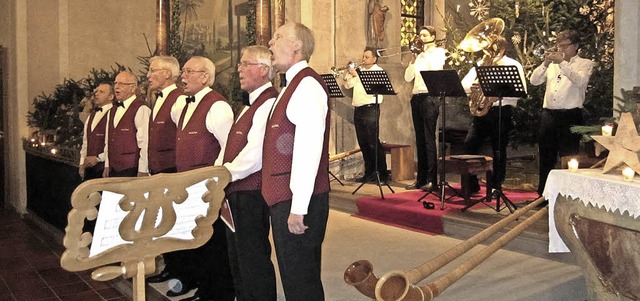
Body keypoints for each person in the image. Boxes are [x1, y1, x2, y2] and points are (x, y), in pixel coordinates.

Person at [265, 22, 330, 300]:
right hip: (285, 197)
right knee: (294, 277)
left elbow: (308, 149)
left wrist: (298, 207)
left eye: (278, 37)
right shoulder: (292, 85)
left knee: (301, 281)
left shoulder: (307, 85)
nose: (270, 42)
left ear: (297, 46)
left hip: (297, 201)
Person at [169, 56, 235, 301]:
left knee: (214, 243)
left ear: (205, 77)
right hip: (188, 188)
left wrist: (214, 184)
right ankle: (203, 289)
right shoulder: (185, 105)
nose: (182, 76)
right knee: (197, 241)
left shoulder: (217, 106)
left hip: (208, 188)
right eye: (183, 71)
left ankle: (218, 294)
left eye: (189, 71)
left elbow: (229, 148)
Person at [215, 45, 278, 300]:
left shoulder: (269, 102)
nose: (238, 69)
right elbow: (230, 147)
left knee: (252, 258)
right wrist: (216, 175)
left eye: (245, 63)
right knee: (237, 256)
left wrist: (223, 176)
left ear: (263, 70)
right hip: (235, 189)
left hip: (250, 193)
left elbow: (255, 155)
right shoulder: (248, 106)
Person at [530, 30, 594, 199]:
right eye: (559, 45)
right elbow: (534, 81)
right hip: (549, 115)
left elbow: (580, 81)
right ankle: (543, 196)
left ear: (576, 46)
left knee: (569, 157)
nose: (561, 49)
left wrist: (563, 64)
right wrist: (544, 64)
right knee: (546, 156)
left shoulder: (585, 63)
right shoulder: (551, 65)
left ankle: (567, 196)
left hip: (570, 115)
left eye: (565, 46)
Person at [461, 36, 527, 197]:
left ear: (502, 50)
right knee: (470, 145)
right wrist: (473, 87)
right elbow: (463, 85)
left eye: (491, 49)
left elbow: (520, 91)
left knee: (498, 149)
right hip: (482, 112)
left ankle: (496, 186)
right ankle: (472, 184)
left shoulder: (512, 65)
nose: (487, 52)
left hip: (501, 111)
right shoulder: (481, 65)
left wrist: (497, 96)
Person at [144, 56, 185, 286]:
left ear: (167, 74)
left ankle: (182, 274)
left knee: (175, 224)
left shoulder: (178, 101)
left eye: (153, 71)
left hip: (172, 170)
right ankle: (172, 268)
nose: (149, 75)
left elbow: (183, 136)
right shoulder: (157, 99)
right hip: (158, 170)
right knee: (164, 224)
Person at [403, 25, 447, 192]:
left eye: (424, 35)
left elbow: (434, 69)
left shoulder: (438, 53)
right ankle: (420, 179)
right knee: (419, 139)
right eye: (419, 35)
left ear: (433, 37)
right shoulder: (419, 56)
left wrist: (425, 53)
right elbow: (408, 78)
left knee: (429, 139)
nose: (420, 37)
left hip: (430, 97)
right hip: (417, 97)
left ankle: (432, 179)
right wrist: (413, 60)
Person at [343, 47, 389, 184]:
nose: (364, 59)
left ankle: (382, 174)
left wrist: (357, 76)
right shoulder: (359, 72)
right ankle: (369, 173)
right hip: (359, 109)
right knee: (363, 142)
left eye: (367, 57)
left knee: (373, 142)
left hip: (371, 109)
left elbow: (370, 89)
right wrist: (349, 74)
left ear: (374, 59)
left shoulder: (378, 71)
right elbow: (348, 85)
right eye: (363, 57)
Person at [103, 71, 151, 178]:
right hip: (113, 169)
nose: (117, 87)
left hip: (131, 168)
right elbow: (108, 140)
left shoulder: (141, 108)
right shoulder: (112, 110)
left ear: (133, 88)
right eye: (115, 83)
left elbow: (145, 142)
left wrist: (143, 169)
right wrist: (107, 165)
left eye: (122, 84)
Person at [79, 82, 114, 181]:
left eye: (101, 92)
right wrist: (82, 163)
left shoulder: (114, 114)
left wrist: (99, 158)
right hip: (89, 169)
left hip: (105, 169)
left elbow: (114, 144)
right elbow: (86, 141)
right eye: (96, 91)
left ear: (111, 96)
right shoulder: (92, 115)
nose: (96, 94)